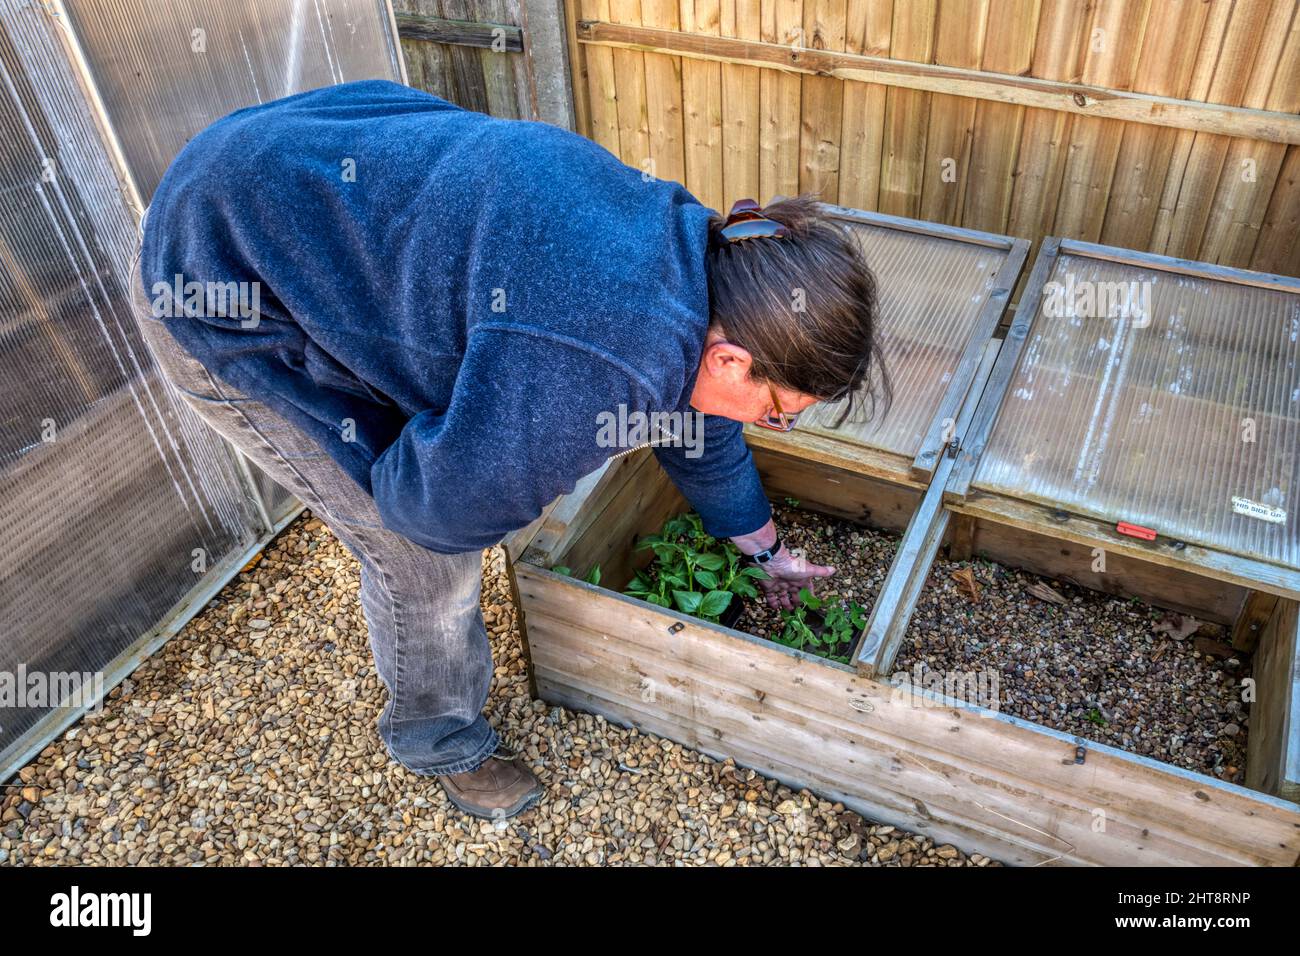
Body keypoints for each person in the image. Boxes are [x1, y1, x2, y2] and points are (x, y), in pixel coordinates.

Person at [130, 79, 887, 820]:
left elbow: (697, 424)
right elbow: (431, 515)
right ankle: (440, 742)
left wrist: (763, 547)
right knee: (421, 561)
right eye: (779, 414)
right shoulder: (597, 361)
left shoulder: (700, 261)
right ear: (731, 360)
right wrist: (460, 453)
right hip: (217, 276)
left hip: (295, 154)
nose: (768, 424)